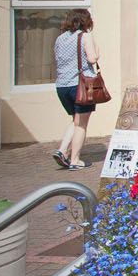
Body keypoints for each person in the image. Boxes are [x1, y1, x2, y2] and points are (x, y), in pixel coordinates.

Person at [52, 9, 99, 170]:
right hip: (80, 85)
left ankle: (62, 150)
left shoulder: (60, 38)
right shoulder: (85, 36)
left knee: (76, 120)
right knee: (81, 124)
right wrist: (96, 49)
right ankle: (75, 160)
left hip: (62, 85)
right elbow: (92, 58)